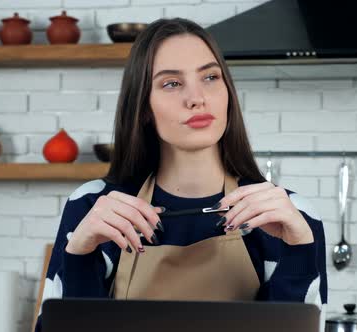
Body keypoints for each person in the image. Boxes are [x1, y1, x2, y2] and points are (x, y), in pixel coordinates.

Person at [34, 17, 328, 332]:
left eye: (211, 77)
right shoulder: (93, 206)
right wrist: (79, 254)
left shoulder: (287, 217)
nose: (196, 97)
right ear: (144, 107)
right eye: (172, 83)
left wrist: (299, 249)